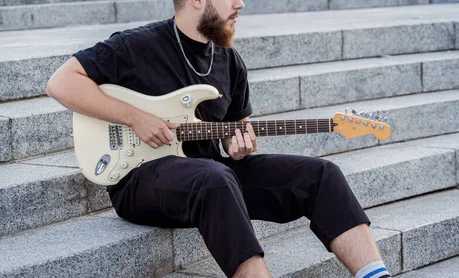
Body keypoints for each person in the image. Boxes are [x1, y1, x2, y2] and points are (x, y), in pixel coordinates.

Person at [46, 0, 390, 277]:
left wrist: (238, 147)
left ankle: (374, 273)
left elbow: (234, 132)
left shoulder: (229, 61)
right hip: (137, 179)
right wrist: (135, 117)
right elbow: (61, 83)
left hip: (210, 177)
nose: (240, 5)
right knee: (216, 176)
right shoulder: (136, 46)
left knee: (322, 175)